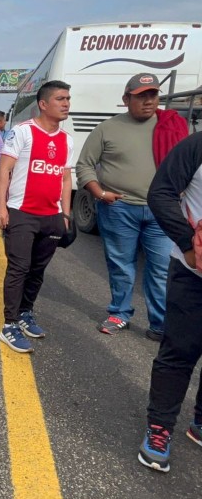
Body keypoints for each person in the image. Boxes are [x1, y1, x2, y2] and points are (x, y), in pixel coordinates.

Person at [76, 73, 185, 340]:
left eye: (153, 95)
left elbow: (188, 165)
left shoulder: (171, 125)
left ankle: (160, 323)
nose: (148, 101)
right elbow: (84, 165)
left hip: (162, 211)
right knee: (121, 265)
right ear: (126, 99)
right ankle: (120, 313)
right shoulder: (107, 128)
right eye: (141, 96)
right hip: (119, 209)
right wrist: (100, 193)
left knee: (160, 269)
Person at [137, 132, 202, 473]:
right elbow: (161, 194)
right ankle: (159, 427)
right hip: (194, 274)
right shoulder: (196, 147)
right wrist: (188, 244)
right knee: (179, 352)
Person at [0, 80, 73, 354]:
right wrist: (1, 207)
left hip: (51, 217)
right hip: (21, 212)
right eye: (60, 99)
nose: (66, 104)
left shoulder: (67, 140)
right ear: (43, 104)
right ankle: (10, 324)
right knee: (19, 268)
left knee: (37, 271)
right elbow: (4, 170)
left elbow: (65, 178)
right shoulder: (22, 132)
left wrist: (66, 215)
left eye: (68, 99)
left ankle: (26, 313)